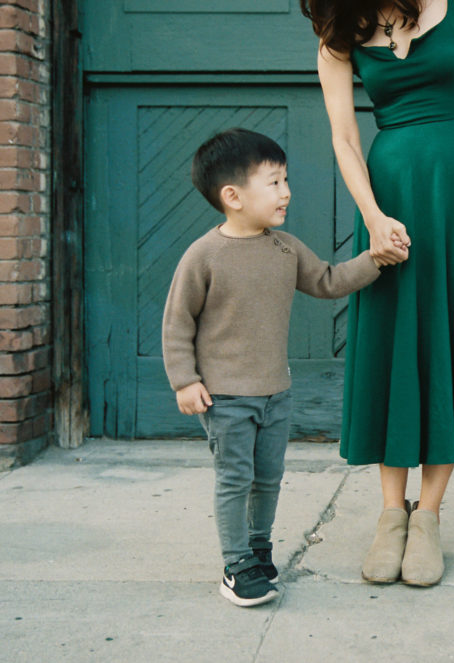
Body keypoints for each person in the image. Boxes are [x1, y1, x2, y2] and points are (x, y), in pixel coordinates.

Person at [303, 0, 454, 588]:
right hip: (392, 187)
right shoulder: (337, 32)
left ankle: (427, 517)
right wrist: (372, 218)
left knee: (449, 334)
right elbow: (345, 139)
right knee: (393, 339)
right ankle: (389, 515)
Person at [162, 128, 384, 607]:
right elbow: (177, 322)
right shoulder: (204, 255)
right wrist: (185, 380)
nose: (286, 192)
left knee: (268, 477)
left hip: (275, 394)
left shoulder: (284, 248)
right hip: (224, 397)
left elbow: (328, 280)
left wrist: (375, 260)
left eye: (286, 181)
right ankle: (235, 564)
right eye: (275, 182)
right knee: (233, 479)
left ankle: (258, 548)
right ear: (233, 196)